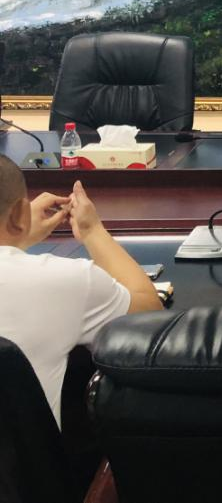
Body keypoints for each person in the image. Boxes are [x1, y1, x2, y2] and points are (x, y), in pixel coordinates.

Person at [0, 156, 161, 425]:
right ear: (18, 213)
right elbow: (149, 319)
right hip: (30, 455)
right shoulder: (63, 280)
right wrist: (92, 230)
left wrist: (16, 236)